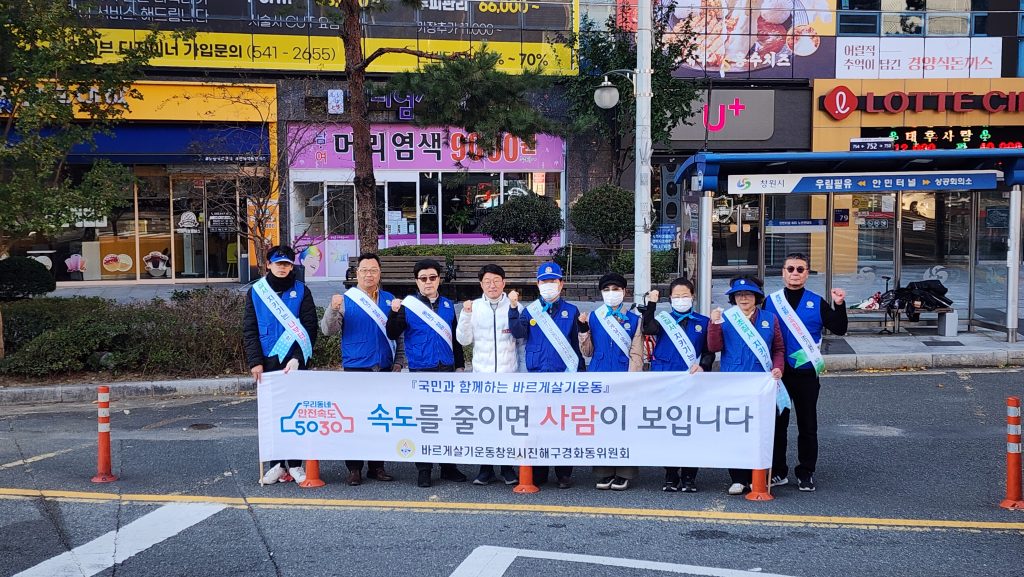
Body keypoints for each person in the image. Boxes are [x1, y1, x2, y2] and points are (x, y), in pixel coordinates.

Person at [763, 253, 847, 492]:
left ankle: (806, 471)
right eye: (790, 268)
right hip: (778, 374)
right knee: (777, 425)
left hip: (806, 374)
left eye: (800, 269)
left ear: (807, 274)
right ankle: (778, 471)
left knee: (807, 425)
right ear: (783, 272)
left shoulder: (816, 302)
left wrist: (839, 305)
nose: (795, 273)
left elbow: (839, 328)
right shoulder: (771, 301)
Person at [320, 253, 403, 486]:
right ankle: (354, 468)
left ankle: (377, 466)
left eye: (373, 270)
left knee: (380, 418)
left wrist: (399, 361)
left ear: (379, 273)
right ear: (357, 274)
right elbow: (328, 330)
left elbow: (399, 335)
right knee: (354, 420)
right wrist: (332, 309)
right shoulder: (346, 300)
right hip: (357, 367)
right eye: (364, 270)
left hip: (384, 367)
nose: (369, 274)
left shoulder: (389, 300)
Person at [386, 258, 468, 488]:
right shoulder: (408, 306)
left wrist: (460, 365)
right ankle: (424, 469)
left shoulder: (448, 305)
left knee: (448, 420)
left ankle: (448, 467)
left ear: (439, 279)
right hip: (422, 369)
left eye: (432, 277)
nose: (428, 282)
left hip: (447, 368)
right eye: (423, 278)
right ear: (417, 281)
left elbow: (456, 339)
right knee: (425, 422)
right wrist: (394, 313)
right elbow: (392, 333)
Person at [244, 245, 318, 486]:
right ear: (268, 265)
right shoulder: (257, 291)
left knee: (296, 414)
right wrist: (255, 362)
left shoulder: (302, 290)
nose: (283, 268)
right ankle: (276, 465)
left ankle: (295, 464)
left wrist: (298, 357)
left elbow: (310, 326)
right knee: (272, 414)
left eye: (287, 264)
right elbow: (249, 329)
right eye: (278, 264)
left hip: (295, 361)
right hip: (267, 360)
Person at [508, 261, 585, 489]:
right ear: (538, 284)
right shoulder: (530, 310)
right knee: (539, 425)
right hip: (537, 376)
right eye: (544, 281)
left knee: (563, 425)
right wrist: (513, 308)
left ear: (561, 284)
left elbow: (575, 344)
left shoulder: (571, 310)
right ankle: (539, 471)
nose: (548, 285)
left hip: (563, 375)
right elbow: (518, 333)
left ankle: (564, 473)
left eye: (553, 281)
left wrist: (580, 371)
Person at [707, 276, 785, 496]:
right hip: (733, 382)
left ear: (756, 297)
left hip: (761, 383)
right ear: (733, 298)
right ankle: (738, 478)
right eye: (739, 295)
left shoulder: (769, 318)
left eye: (748, 294)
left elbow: (778, 349)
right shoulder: (726, 318)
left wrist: (778, 368)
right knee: (735, 430)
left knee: (761, 430)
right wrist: (713, 325)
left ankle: (758, 476)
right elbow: (713, 347)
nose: (743, 298)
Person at [642, 277, 715, 493]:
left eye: (685, 295)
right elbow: (648, 328)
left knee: (691, 428)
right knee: (668, 428)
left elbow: (709, 352)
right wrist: (651, 304)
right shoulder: (663, 320)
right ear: (670, 299)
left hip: (692, 381)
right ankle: (671, 474)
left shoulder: (703, 322)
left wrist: (703, 366)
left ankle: (690, 475)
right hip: (665, 379)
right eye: (676, 296)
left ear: (692, 296)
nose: (681, 299)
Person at [456, 264, 522, 486]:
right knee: (485, 424)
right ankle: (485, 469)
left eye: (496, 280)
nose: (492, 285)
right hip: (482, 379)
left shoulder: (515, 306)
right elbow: (463, 340)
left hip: (508, 377)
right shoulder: (474, 307)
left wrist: (521, 374)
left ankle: (507, 469)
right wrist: (465, 315)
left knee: (508, 424)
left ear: (504, 283)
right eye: (487, 281)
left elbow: (521, 342)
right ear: (481, 284)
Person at [579, 272, 643, 491]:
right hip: (599, 377)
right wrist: (583, 330)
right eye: (606, 290)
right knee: (601, 426)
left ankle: (625, 472)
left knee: (624, 425)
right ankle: (604, 471)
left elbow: (637, 353)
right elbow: (587, 352)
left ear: (624, 292)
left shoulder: (634, 320)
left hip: (624, 378)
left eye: (615, 289)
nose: (611, 293)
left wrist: (631, 380)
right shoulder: (593, 317)